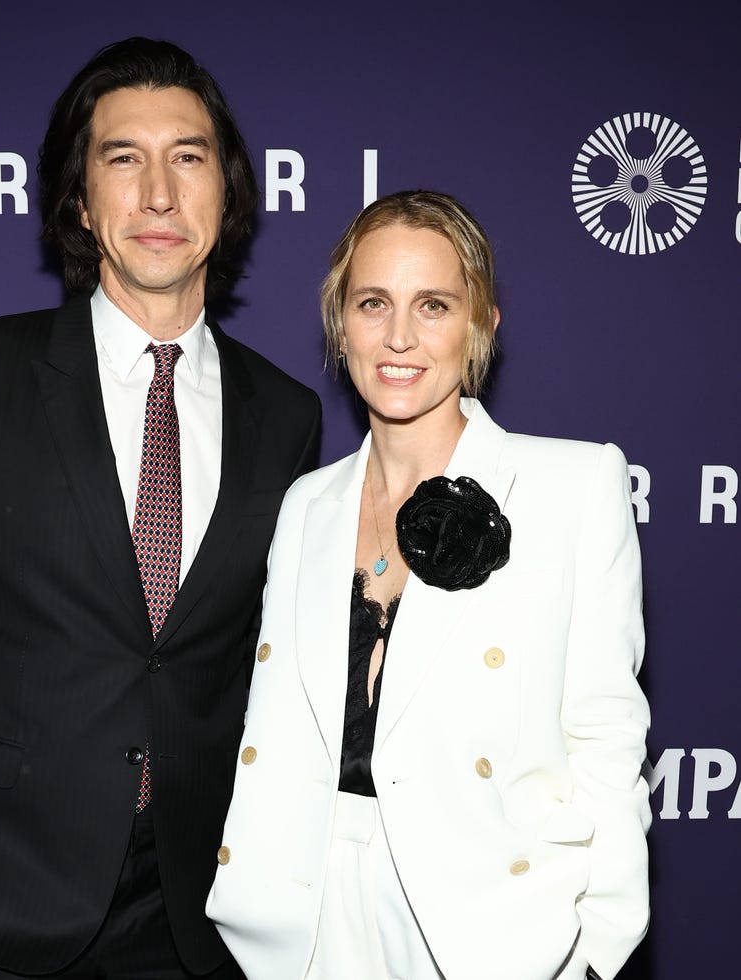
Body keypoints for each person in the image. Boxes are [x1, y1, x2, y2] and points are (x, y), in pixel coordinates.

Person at [0, 37, 321, 979]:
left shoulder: (288, 415)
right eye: (122, 159)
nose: (157, 193)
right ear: (78, 199)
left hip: (197, 915)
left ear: (225, 198)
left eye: (188, 159)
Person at [207, 190, 650, 980]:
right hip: (305, 919)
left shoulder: (572, 486)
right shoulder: (306, 504)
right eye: (373, 303)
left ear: (480, 325)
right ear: (340, 326)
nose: (400, 336)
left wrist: (600, 947)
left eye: (434, 305)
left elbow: (606, 734)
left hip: (486, 919)